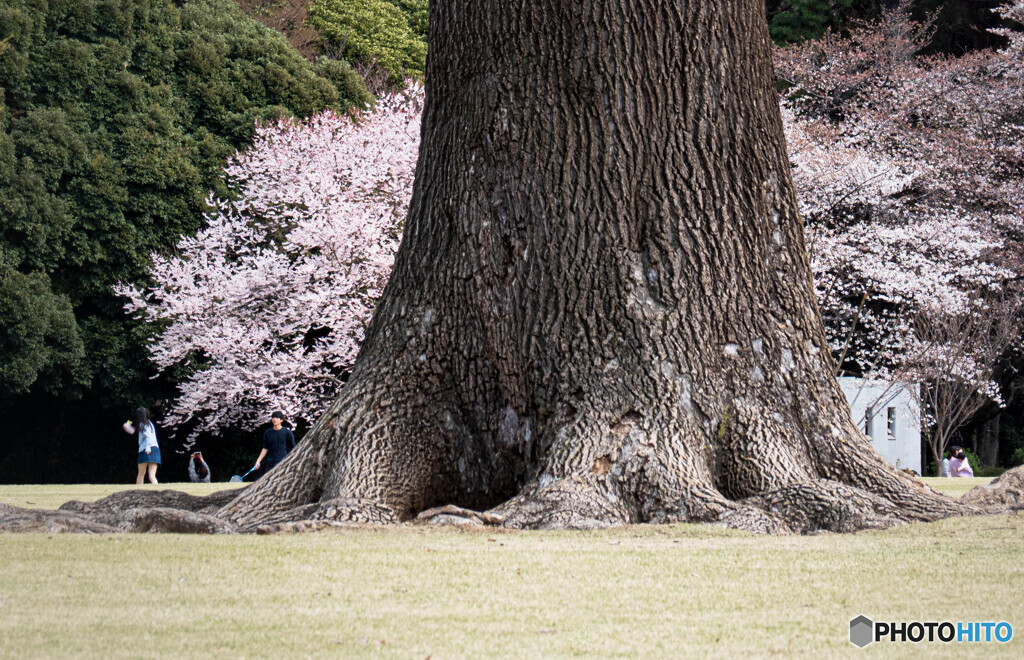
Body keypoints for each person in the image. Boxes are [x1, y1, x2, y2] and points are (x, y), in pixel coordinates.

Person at [123, 407, 160, 485]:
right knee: (152, 476)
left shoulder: (142, 424)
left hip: (145, 449)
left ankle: (139, 492)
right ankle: (157, 491)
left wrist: (147, 448)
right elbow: (133, 430)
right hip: (155, 449)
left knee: (141, 474)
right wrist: (129, 423)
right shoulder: (149, 423)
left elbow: (147, 436)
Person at [253, 410, 296, 475]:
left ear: (281, 420)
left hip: (283, 462)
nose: (274, 419)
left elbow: (293, 447)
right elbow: (265, 448)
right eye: (273, 417)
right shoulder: (268, 432)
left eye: (276, 418)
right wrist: (258, 461)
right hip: (271, 462)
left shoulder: (287, 432)